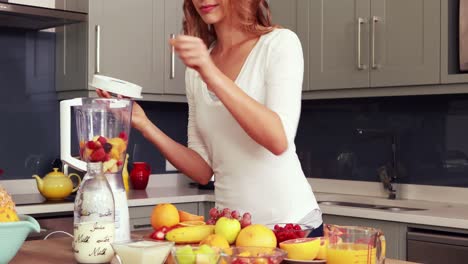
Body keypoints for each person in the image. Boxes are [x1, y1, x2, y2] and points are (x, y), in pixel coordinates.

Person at [98, 0, 323, 236]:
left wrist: (209, 71)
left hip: (294, 229)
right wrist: (144, 124)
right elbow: (203, 169)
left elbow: (278, 139)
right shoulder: (196, 72)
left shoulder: (279, 44)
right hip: (231, 233)